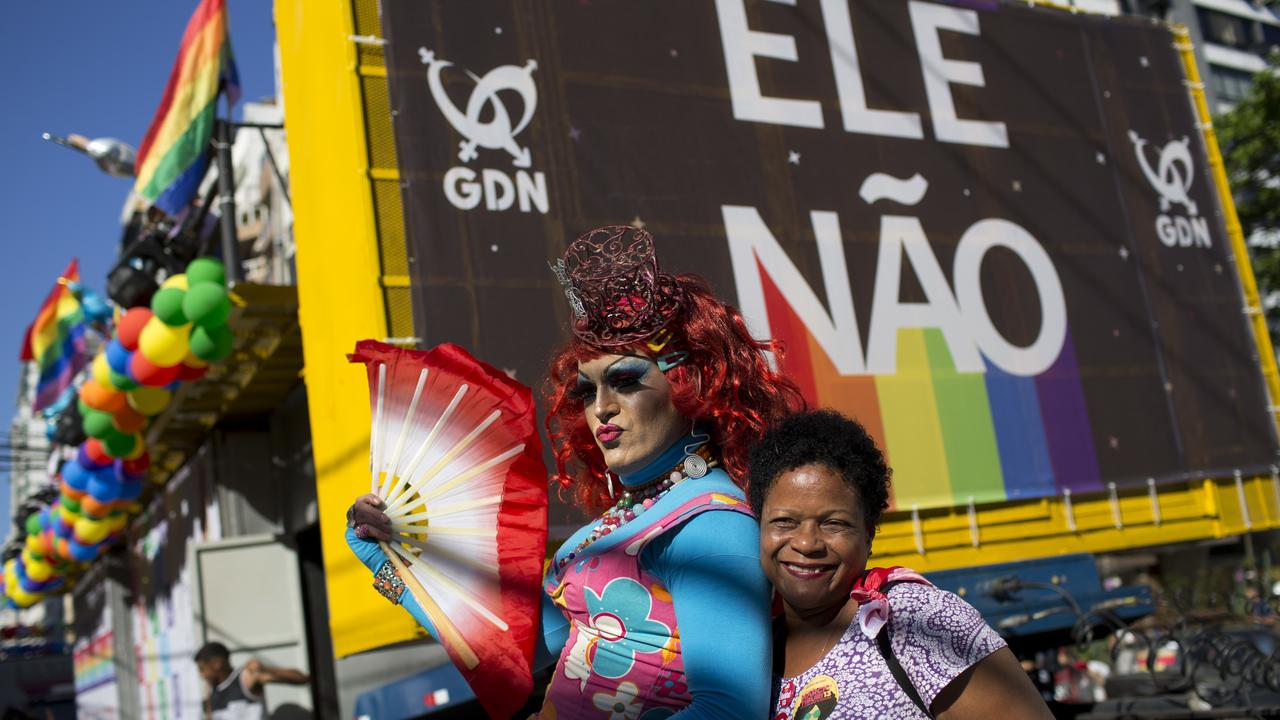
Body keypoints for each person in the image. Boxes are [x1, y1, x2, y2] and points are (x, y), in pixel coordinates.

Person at [347, 225, 804, 718]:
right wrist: (387, 562)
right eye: (587, 391)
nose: (601, 408)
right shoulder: (635, 512)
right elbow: (520, 650)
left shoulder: (711, 525)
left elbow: (730, 711)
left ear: (690, 384)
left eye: (625, 381)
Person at [748, 410, 1053, 720]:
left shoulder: (918, 619)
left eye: (833, 523)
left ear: (868, 535)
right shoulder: (750, 650)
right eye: (785, 521)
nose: (806, 543)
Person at [194, 641, 310, 720]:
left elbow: (302, 678)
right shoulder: (211, 690)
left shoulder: (246, 678)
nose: (201, 675)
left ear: (217, 664)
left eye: (202, 669)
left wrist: (266, 669)